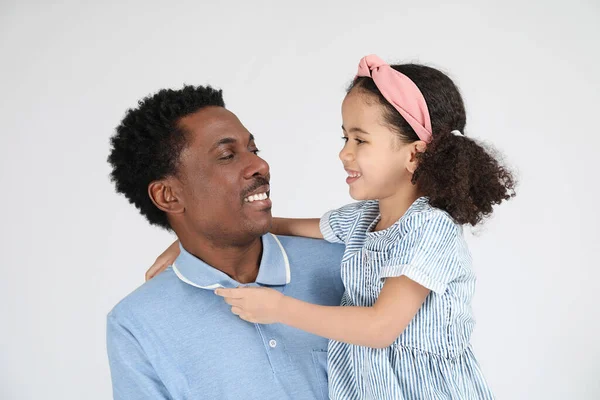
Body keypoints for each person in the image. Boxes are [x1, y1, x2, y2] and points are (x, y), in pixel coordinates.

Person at [150, 55, 516, 399]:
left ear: (414, 154)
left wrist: (278, 309)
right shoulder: (362, 219)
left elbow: (379, 328)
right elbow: (274, 225)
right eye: (345, 138)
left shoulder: (428, 229)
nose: (344, 153)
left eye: (360, 140)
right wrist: (193, 240)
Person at [106, 85, 345, 400]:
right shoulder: (136, 323)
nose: (260, 166)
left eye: (253, 150)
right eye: (227, 156)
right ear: (168, 196)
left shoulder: (346, 263)